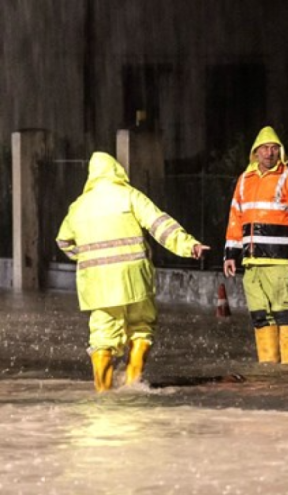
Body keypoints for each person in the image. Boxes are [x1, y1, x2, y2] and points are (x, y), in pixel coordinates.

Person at [56, 152, 210, 393]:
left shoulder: (78, 207)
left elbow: (63, 241)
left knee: (102, 337)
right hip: (134, 279)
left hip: (98, 285)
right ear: (117, 170)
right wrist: (189, 246)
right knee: (141, 327)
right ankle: (132, 384)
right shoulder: (128, 195)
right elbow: (158, 224)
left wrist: (86, 257)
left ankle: (103, 394)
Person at [223, 126, 288, 365]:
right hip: (252, 262)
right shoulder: (244, 180)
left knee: (284, 313)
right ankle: (268, 368)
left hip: (280, 261)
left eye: (274, 148)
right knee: (260, 315)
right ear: (256, 152)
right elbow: (236, 218)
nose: (269, 153)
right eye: (264, 148)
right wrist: (230, 254)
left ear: (280, 152)